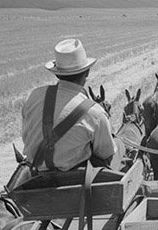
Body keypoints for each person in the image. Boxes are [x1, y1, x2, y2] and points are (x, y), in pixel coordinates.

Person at [20, 38, 116, 173]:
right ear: (87, 72)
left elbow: (26, 138)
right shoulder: (95, 113)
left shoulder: (34, 97)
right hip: (76, 179)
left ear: (57, 74)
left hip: (36, 176)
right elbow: (106, 153)